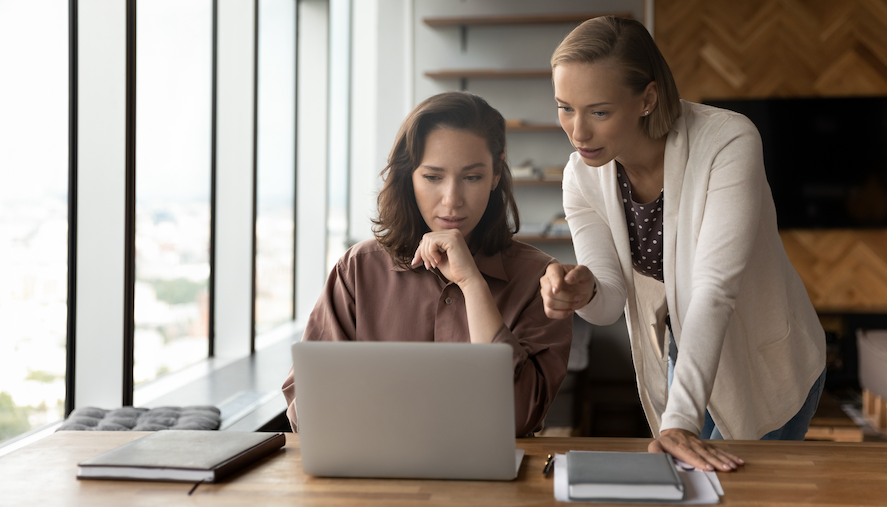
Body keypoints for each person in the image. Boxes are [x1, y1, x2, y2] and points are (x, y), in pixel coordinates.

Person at [540, 16, 826, 472]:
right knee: (687, 488)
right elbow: (610, 301)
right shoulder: (581, 176)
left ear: (647, 98)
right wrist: (583, 290)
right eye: (564, 108)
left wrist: (679, 422)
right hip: (687, 352)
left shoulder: (728, 140)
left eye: (598, 111)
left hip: (765, 362)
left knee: (747, 496)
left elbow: (714, 288)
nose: (577, 132)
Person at [282, 91, 572, 437]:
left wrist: (472, 285)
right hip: (372, 479)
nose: (452, 200)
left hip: (493, 487)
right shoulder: (358, 270)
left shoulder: (538, 278)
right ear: (410, 177)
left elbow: (516, 419)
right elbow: (306, 414)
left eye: (472, 177)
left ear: (496, 173)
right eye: (433, 177)